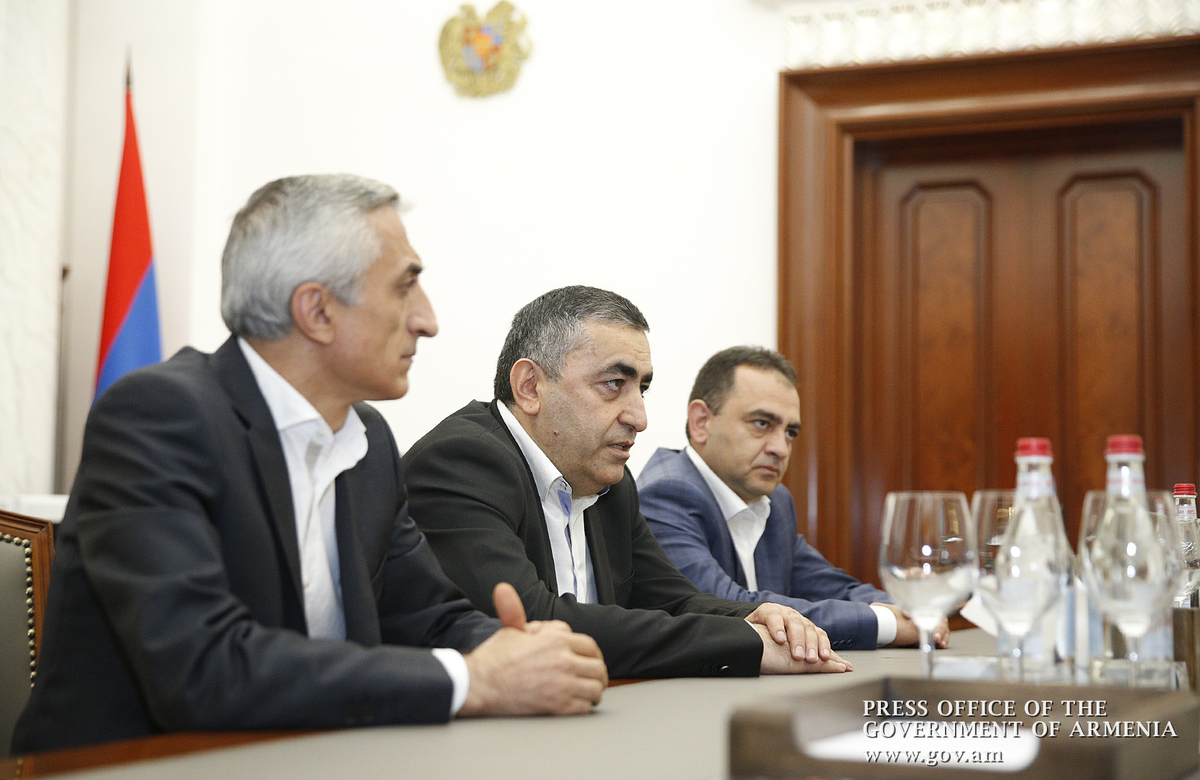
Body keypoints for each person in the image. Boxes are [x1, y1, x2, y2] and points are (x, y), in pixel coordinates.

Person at [13, 175, 606, 755]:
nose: (427, 320)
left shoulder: (367, 438)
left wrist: (524, 652)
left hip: (315, 754)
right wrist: (472, 680)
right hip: (132, 765)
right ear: (317, 311)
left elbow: (427, 617)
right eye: (405, 287)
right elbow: (202, 669)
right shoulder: (158, 416)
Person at [404, 286, 852, 679]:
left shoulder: (611, 485)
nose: (639, 417)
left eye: (642, 389)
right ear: (529, 387)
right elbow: (533, 621)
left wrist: (762, 618)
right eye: (613, 383)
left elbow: (674, 601)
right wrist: (746, 642)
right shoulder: (461, 462)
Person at [637, 346, 947, 651]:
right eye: (762, 424)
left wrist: (908, 609)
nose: (780, 449)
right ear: (701, 422)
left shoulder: (775, 501)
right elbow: (725, 606)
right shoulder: (666, 494)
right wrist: (886, 622)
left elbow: (829, 585)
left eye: (790, 433)